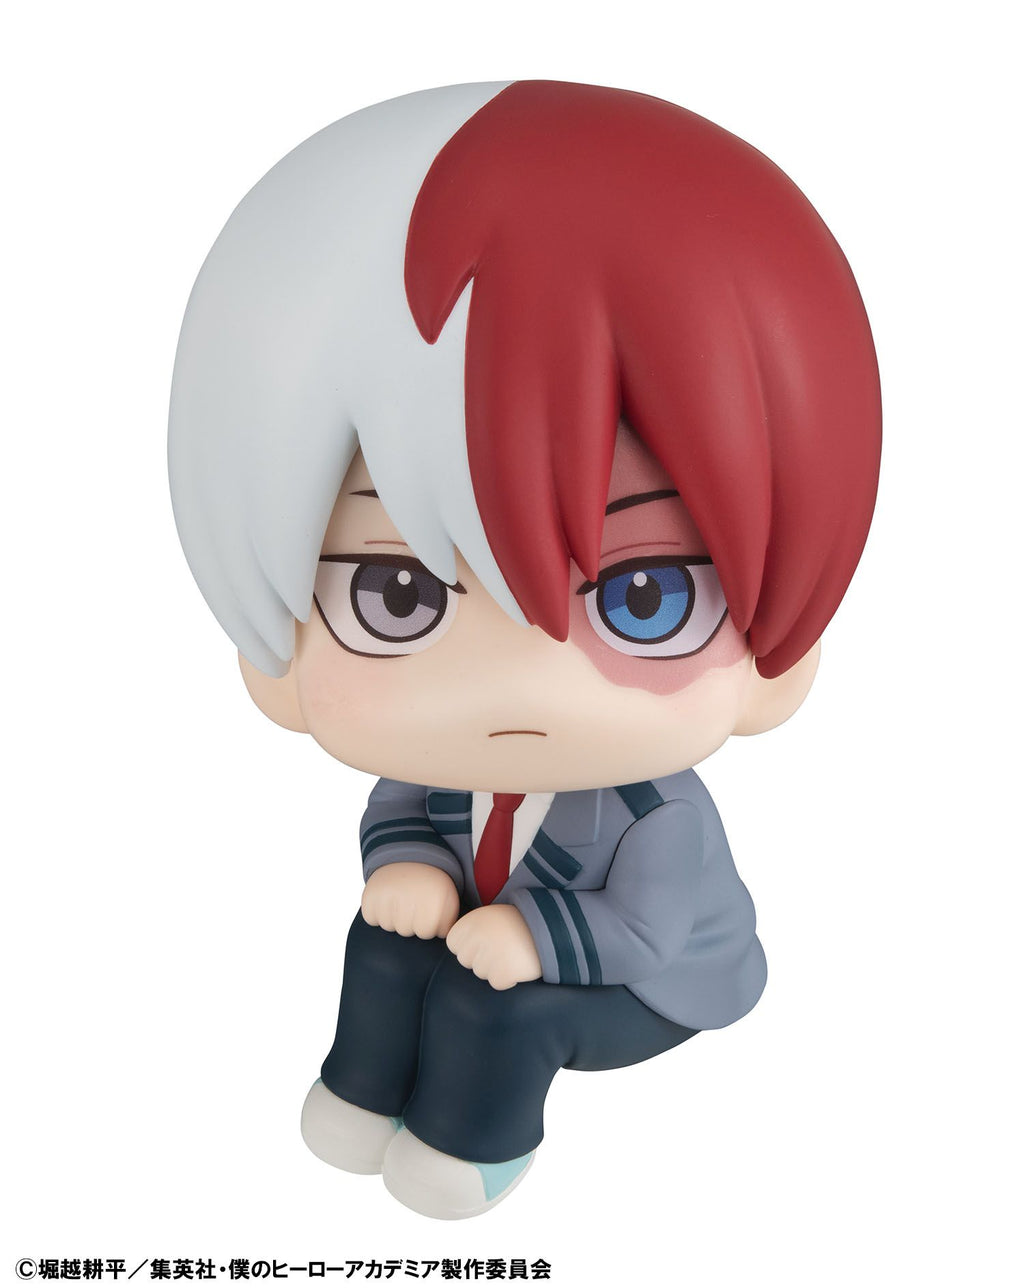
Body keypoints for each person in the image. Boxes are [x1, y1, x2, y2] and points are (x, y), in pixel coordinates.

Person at [168, 80, 881, 1219]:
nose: (515, 684)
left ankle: (474, 1144)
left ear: (775, 656)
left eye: (643, 596)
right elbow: (400, 817)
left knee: (500, 1006)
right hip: (490, 937)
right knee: (386, 942)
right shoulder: (439, 773)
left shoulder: (656, 817)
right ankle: (363, 1092)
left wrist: (531, 936)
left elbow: (642, 930)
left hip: (651, 985)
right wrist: (404, 869)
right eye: (394, 594)